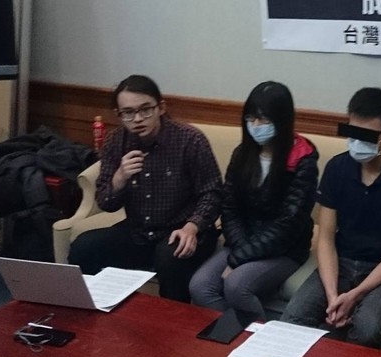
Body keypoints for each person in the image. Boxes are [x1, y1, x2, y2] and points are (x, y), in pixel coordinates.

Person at [280, 87, 381, 348]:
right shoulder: (337, 168)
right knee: (292, 320)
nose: (357, 143)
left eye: (367, 136)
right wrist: (332, 295)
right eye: (352, 133)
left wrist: (355, 295)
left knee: (368, 328)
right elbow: (325, 237)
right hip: (342, 261)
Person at [68, 74, 222, 302]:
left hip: (182, 230)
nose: (138, 119)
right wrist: (120, 177)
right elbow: (106, 203)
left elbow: (213, 193)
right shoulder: (116, 142)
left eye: (145, 110)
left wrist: (193, 227)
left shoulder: (190, 140)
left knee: (170, 257)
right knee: (84, 247)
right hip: (138, 231)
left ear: (161, 108)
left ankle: (172, 322)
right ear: (119, 115)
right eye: (128, 113)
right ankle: (96, 310)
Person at [189, 81, 318, 324]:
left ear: (282, 120)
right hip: (243, 242)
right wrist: (240, 251)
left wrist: (239, 259)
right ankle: (231, 335)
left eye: (264, 119)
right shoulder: (242, 154)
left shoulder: (303, 160)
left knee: (237, 286)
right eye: (251, 118)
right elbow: (230, 208)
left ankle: (257, 340)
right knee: (200, 286)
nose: (256, 126)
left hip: (284, 249)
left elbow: (288, 225)